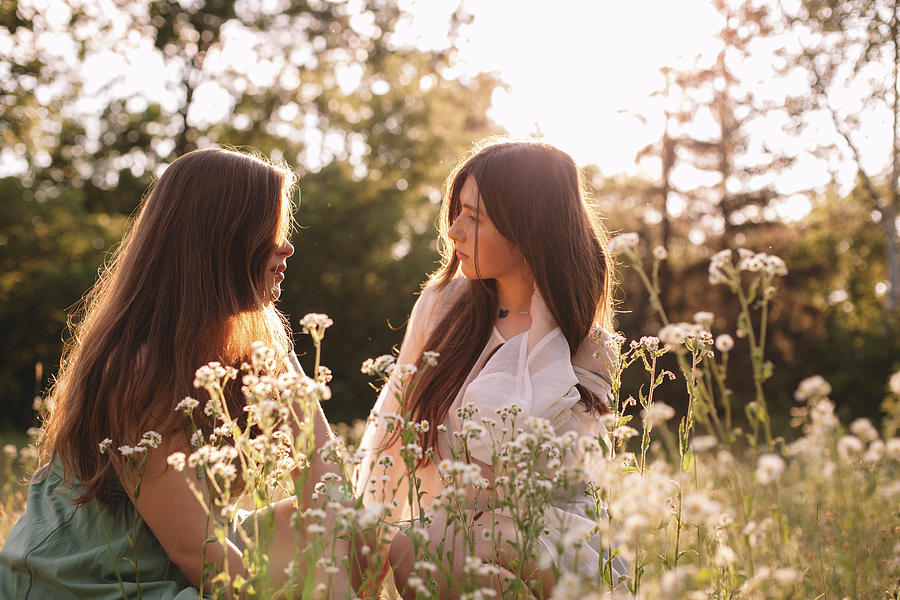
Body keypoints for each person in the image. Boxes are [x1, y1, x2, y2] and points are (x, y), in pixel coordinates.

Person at [0, 148, 363, 598]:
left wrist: (291, 378)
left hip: (166, 561)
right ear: (219, 238)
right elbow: (200, 555)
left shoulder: (241, 350)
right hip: (89, 579)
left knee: (365, 539)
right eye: (270, 228)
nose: (287, 245)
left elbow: (334, 510)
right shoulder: (137, 366)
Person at [356, 139, 628, 598]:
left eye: (475, 218)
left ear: (529, 230)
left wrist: (543, 329)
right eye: (457, 213)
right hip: (454, 532)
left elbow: (541, 470)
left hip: (547, 535)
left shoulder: (587, 343)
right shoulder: (441, 306)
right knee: (415, 546)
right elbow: (394, 433)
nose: (454, 231)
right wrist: (367, 555)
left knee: (465, 543)